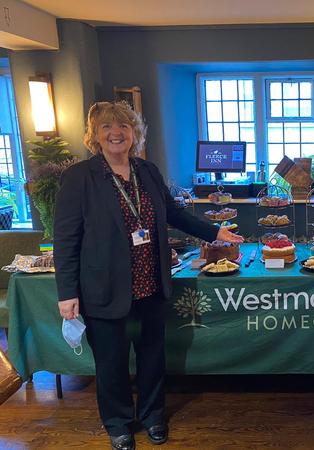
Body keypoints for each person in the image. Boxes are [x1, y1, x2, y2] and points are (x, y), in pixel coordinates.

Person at [54, 101, 244, 450]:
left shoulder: (148, 171)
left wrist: (215, 233)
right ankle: (118, 422)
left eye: (124, 127)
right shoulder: (80, 177)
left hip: (151, 285)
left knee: (152, 357)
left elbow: (175, 213)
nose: (116, 133)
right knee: (110, 363)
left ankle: (153, 416)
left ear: (134, 133)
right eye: (107, 127)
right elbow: (65, 239)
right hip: (105, 289)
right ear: (95, 135)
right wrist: (67, 293)